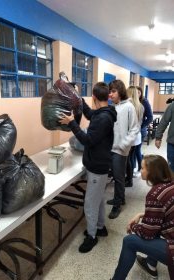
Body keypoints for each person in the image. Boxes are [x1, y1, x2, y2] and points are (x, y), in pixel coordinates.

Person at [59, 82, 117, 253]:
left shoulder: (104, 118)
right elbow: (91, 114)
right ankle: (100, 227)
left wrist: (71, 123)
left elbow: (87, 140)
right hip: (99, 164)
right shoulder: (104, 112)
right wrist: (78, 96)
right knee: (98, 199)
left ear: (94, 97)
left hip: (98, 167)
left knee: (90, 204)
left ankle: (91, 237)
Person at [111, 154, 174, 280]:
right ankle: (150, 265)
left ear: (152, 172)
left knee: (129, 241)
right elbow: (164, 213)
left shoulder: (155, 194)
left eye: (142, 168)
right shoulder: (170, 185)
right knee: (153, 225)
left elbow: (147, 233)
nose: (140, 171)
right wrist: (141, 214)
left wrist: (133, 226)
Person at [107, 80, 138, 219]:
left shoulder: (129, 107)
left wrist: (124, 144)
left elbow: (134, 129)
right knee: (116, 175)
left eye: (113, 91)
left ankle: (117, 205)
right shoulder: (113, 107)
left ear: (120, 91)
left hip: (121, 149)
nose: (110, 94)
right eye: (109, 91)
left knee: (119, 178)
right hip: (111, 148)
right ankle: (121, 198)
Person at [125, 86, 144, 187]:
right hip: (137, 136)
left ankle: (129, 180)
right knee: (130, 158)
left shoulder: (128, 105)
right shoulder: (140, 106)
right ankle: (129, 178)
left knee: (127, 160)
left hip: (130, 136)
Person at [135, 86, 153, 172]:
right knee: (134, 151)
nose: (137, 94)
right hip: (135, 130)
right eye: (135, 92)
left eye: (139, 92)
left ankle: (140, 168)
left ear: (141, 93)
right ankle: (135, 167)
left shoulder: (144, 102)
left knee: (137, 150)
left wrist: (142, 126)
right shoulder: (132, 102)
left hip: (141, 131)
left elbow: (150, 117)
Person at [155, 101, 174, 172]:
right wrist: (158, 137)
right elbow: (164, 122)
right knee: (171, 167)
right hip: (172, 143)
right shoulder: (172, 106)